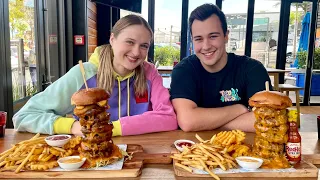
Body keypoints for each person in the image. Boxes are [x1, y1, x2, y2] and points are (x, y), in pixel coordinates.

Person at [13, 14, 178, 136]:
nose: (136, 52)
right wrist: (72, 127)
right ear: (112, 39)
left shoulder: (150, 73)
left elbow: (169, 118)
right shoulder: (84, 73)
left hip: (140, 155)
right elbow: (24, 116)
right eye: (129, 42)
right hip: (90, 157)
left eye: (144, 46)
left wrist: (110, 129)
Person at [170, 4, 272, 133]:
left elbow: (267, 120)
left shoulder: (252, 69)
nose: (206, 46)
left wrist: (205, 123)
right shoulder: (184, 71)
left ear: (226, 36)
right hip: (195, 149)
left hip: (243, 149)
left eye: (213, 36)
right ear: (192, 41)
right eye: (198, 39)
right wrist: (239, 109)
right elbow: (188, 122)